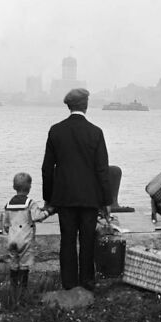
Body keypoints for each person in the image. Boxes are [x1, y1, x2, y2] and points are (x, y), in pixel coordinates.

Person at [41, 88, 112, 291]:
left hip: (64, 197)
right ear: (86, 105)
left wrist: (49, 198)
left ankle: (69, 284)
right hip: (90, 197)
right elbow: (102, 170)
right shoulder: (96, 132)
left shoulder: (56, 130)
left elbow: (47, 168)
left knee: (68, 240)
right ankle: (87, 283)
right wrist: (106, 201)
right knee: (88, 240)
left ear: (69, 106)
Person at [3, 172, 53, 292]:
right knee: (24, 264)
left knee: (14, 263)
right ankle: (23, 289)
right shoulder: (30, 203)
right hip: (25, 239)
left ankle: (13, 288)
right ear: (29, 187)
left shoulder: (8, 205)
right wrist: (49, 211)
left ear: (14, 187)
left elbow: (5, 224)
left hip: (12, 238)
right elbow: (37, 217)